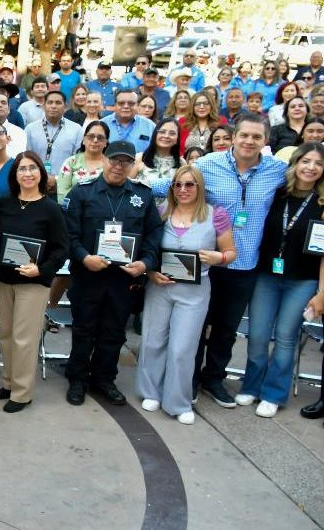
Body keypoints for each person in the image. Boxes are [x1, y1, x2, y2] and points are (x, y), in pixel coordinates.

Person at [148, 114, 288, 407]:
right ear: (234, 137)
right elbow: (167, 185)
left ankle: (214, 378)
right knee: (196, 327)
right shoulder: (209, 164)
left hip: (244, 263)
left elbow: (306, 179)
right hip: (206, 263)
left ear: (266, 141)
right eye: (244, 135)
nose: (249, 141)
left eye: (256, 137)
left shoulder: (277, 171)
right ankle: (190, 380)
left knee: (226, 328)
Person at [63, 140, 163, 406]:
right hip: (89, 275)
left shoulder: (143, 195)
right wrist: (84, 257)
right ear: (104, 159)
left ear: (132, 165)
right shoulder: (82, 192)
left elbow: (154, 233)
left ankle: (104, 379)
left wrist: (146, 262)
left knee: (114, 331)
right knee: (84, 329)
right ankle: (78, 379)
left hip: (124, 278)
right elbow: (68, 234)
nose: (119, 166)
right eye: (115, 160)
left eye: (125, 162)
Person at [135, 165, 234, 425]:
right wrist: (150, 273)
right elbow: (148, 249)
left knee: (182, 348)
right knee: (153, 341)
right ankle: (150, 391)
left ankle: (177, 401)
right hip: (160, 286)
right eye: (178, 184)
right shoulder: (161, 212)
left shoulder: (216, 215)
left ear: (200, 188)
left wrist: (218, 257)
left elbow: (231, 253)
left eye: (189, 184)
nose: (183, 190)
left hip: (194, 291)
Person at [238, 143, 324, 418]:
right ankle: (251, 386)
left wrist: (322, 292)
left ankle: (274, 394)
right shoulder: (277, 194)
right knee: (259, 334)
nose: (311, 168)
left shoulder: (322, 203)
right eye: (306, 161)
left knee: (286, 337)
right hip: (267, 275)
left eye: (318, 164)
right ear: (295, 163)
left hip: (303, 281)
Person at [0, 151, 70, 412]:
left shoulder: (51, 208)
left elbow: (61, 249)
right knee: (5, 334)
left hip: (33, 284)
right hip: (4, 280)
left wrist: (41, 270)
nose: (27, 173)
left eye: (32, 168)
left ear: (41, 173)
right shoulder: (5, 203)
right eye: (21, 169)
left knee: (24, 339)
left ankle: (22, 393)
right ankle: (9, 382)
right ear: (15, 175)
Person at [25, 90, 85, 187]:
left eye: (58, 103)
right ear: (44, 106)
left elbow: (78, 162)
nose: (53, 106)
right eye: (50, 102)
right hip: (35, 185)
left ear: (65, 106)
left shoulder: (77, 130)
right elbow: (27, 159)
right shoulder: (30, 129)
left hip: (65, 186)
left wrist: (57, 179)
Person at [57, 121, 108, 203]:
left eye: (100, 137)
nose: (95, 140)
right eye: (91, 136)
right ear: (84, 140)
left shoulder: (110, 165)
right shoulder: (71, 162)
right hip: (72, 211)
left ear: (106, 142)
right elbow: (62, 194)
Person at [133, 117, 183, 188]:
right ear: (155, 134)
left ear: (177, 138)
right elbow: (126, 188)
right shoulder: (139, 158)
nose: (166, 136)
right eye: (162, 132)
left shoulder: (181, 163)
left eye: (172, 133)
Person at [102, 90, 155, 154]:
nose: (126, 106)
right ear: (115, 105)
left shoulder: (150, 126)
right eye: (121, 103)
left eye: (131, 103)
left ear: (137, 105)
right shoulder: (102, 124)